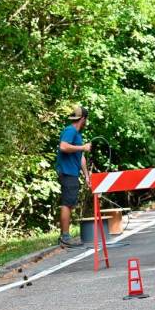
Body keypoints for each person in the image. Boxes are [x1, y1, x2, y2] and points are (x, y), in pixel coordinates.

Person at [55, 105, 92, 247]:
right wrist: (82, 147)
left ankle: (64, 236)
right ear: (83, 119)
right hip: (67, 171)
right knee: (67, 203)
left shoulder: (77, 134)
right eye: (86, 119)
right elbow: (63, 147)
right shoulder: (70, 130)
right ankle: (65, 237)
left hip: (72, 172)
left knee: (69, 203)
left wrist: (86, 176)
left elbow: (80, 157)